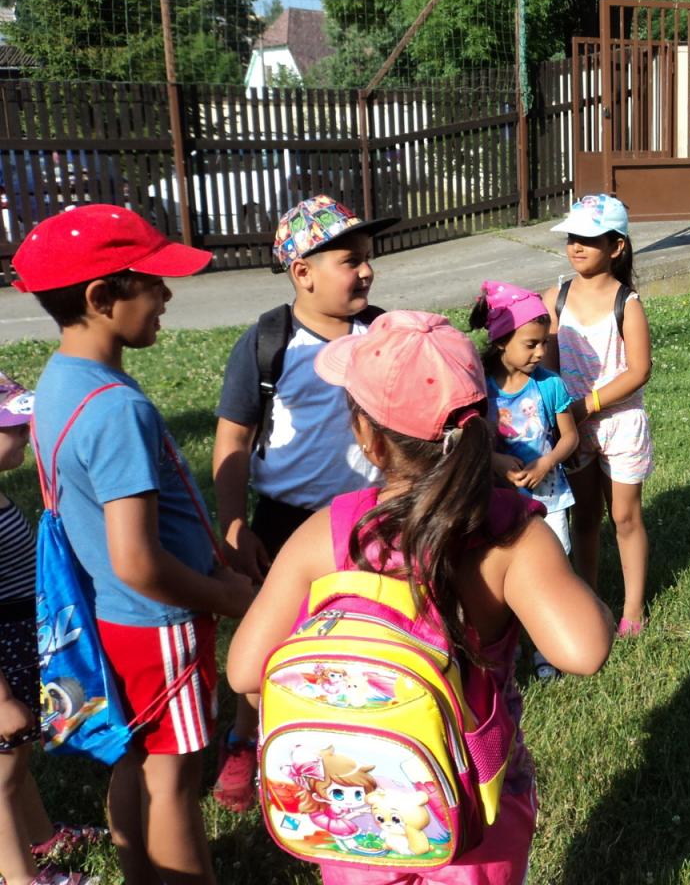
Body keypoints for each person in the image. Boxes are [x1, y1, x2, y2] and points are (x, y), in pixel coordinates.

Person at [226, 310, 613, 885]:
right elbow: (584, 650)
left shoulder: (327, 532)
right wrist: (590, 596)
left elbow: (243, 671)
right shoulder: (511, 534)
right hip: (475, 805)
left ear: (367, 437)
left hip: (356, 817)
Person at [13, 205, 256, 885]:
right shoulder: (117, 408)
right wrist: (227, 598)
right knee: (174, 782)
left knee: (136, 760)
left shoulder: (61, 380)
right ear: (101, 297)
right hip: (158, 623)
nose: (167, 296)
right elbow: (139, 561)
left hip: (115, 619)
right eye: (152, 283)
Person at [210, 194, 395, 810]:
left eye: (367, 257)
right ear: (303, 272)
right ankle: (247, 736)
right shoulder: (269, 343)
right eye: (350, 260)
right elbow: (233, 439)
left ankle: (356, 732)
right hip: (286, 522)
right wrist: (234, 524)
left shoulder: (383, 332)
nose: (366, 271)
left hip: (371, 515)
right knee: (272, 634)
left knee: (367, 628)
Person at [0, 372, 98, 885]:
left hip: (14, 642)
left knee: (15, 762)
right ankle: (22, 878)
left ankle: (41, 837)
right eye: (11, 425)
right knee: (1, 777)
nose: (25, 431)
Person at [542, 195, 653, 638]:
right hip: (573, 429)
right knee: (585, 518)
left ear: (616, 246)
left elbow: (639, 370)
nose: (576, 246)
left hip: (620, 425)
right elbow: (547, 366)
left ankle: (633, 609)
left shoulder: (628, 303)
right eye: (573, 237)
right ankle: (588, 600)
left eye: (589, 239)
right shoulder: (555, 299)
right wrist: (559, 416)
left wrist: (587, 404)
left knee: (625, 517)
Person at [469, 280, 579, 680]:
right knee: (502, 576)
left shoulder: (550, 385)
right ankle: (507, 648)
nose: (540, 352)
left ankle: (548, 649)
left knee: (552, 571)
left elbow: (570, 437)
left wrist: (546, 463)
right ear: (501, 342)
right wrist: (498, 462)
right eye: (530, 344)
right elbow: (472, 442)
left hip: (549, 498)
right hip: (498, 503)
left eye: (543, 343)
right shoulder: (481, 390)